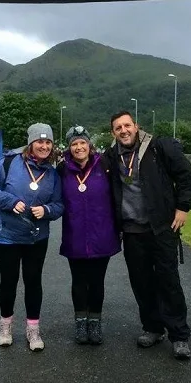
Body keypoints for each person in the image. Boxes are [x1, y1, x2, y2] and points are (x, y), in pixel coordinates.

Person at [104, 111, 191, 360]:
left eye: (127, 125)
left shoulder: (159, 147)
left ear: (136, 126)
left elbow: (187, 176)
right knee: (142, 283)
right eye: (117, 128)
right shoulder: (111, 156)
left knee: (168, 281)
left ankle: (179, 335)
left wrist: (183, 207)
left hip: (162, 228)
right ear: (113, 133)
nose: (123, 130)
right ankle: (153, 328)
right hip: (133, 231)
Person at [0, 123, 64, 352]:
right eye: (40, 141)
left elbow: (59, 205)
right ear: (31, 143)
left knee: (33, 282)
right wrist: (10, 202)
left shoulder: (53, 173)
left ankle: (33, 329)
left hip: (36, 237)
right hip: (6, 235)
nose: (44, 146)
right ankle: (5, 326)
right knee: (8, 281)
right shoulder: (9, 162)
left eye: (48, 142)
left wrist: (46, 211)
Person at [56, 125, 121, 345]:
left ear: (89, 144)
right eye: (74, 144)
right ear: (69, 147)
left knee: (97, 281)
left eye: (82, 142)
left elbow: (120, 193)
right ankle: (80, 323)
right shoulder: (62, 169)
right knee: (78, 281)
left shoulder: (104, 165)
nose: (79, 147)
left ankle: (95, 323)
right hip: (75, 233)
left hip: (101, 233)